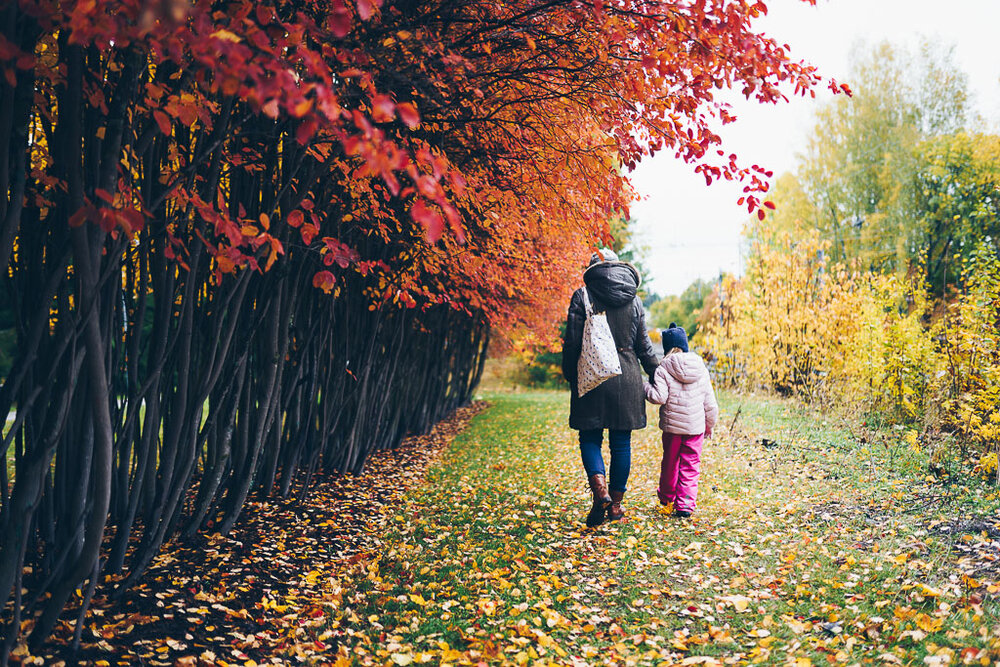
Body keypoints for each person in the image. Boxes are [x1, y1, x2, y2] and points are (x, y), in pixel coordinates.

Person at [562, 249, 659, 527]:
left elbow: (572, 341)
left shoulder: (582, 295)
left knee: (590, 438)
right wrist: (657, 374)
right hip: (626, 378)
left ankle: (600, 492)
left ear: (593, 269)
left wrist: (570, 373)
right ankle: (615, 506)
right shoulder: (635, 300)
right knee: (621, 443)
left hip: (592, 375)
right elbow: (644, 347)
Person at [643, 323, 718, 518]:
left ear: (667, 347)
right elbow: (710, 404)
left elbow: (658, 397)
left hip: (672, 429)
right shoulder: (700, 368)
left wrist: (644, 387)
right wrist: (709, 425)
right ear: (685, 345)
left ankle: (667, 497)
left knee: (670, 462)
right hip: (695, 429)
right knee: (691, 464)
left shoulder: (663, 369)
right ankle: (685, 505)